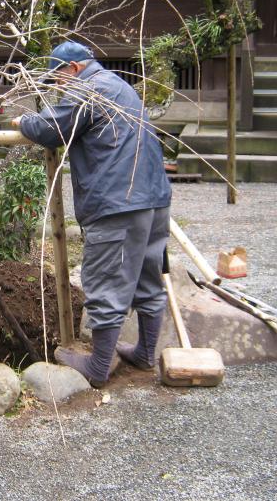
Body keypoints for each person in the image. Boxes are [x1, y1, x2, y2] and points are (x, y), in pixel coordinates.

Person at [11, 41, 172, 388]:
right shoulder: (119, 85)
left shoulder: (89, 89)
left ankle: (98, 366)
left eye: (57, 80)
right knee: (147, 277)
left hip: (119, 202)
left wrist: (23, 119)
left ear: (72, 69)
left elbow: (50, 130)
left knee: (106, 281)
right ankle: (144, 352)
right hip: (154, 198)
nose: (57, 88)